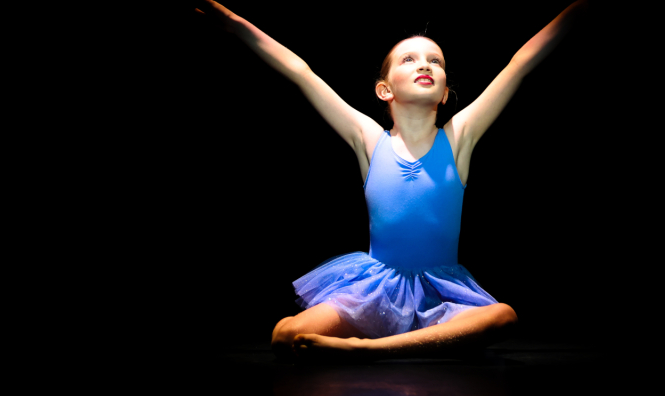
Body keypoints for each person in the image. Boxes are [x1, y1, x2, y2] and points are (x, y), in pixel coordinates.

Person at [193, 0, 589, 361]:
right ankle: (386, 345)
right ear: (384, 89)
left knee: (502, 317)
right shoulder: (367, 139)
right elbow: (302, 72)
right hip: (375, 290)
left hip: (442, 291)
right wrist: (234, 24)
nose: (424, 65)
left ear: (446, 92)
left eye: (435, 61)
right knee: (285, 334)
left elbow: (519, 64)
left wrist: (577, 10)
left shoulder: (458, 138)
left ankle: (370, 350)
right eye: (410, 60)